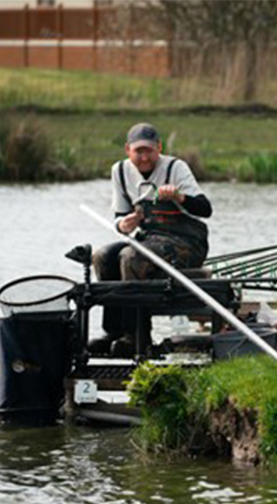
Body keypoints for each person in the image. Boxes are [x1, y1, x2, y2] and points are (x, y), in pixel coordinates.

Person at [90, 122, 212, 355]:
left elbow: (205, 209)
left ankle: (138, 336)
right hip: (149, 239)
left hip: (187, 242)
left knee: (131, 258)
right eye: (139, 151)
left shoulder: (175, 168)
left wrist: (180, 196)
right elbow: (119, 216)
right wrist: (123, 224)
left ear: (159, 148)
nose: (144, 157)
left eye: (149, 151)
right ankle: (114, 332)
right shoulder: (120, 171)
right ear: (128, 150)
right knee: (102, 256)